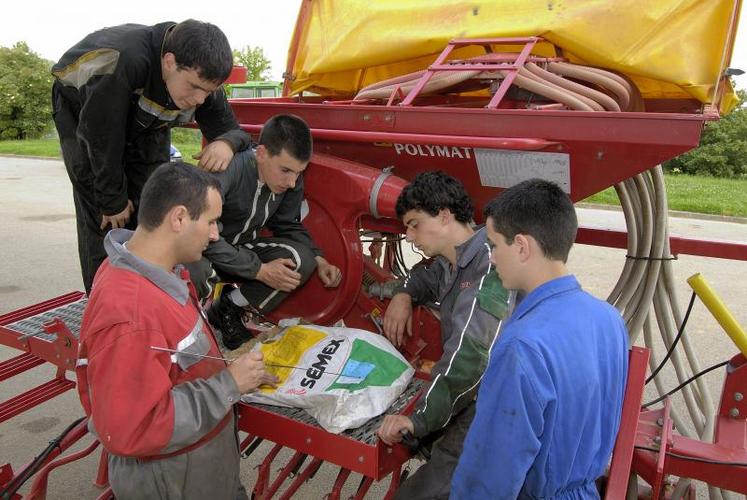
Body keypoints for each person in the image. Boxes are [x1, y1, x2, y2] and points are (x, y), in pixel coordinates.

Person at [76, 162, 276, 499]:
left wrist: (229, 373)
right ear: (179, 218)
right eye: (211, 222)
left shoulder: (154, 272)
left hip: (197, 468)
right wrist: (228, 384)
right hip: (173, 481)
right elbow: (133, 428)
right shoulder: (132, 315)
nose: (215, 235)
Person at [451, 179, 629, 499]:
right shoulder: (609, 319)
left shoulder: (522, 346)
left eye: (494, 246)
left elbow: (491, 475)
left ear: (521, 246)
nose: (491, 259)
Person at [52, 19, 253, 293]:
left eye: (208, 91)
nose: (200, 100)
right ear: (169, 62)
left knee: (156, 204)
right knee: (106, 217)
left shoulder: (199, 77)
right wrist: (112, 200)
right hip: (85, 116)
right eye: (194, 87)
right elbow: (101, 139)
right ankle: (106, 302)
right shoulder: (123, 60)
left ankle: (150, 295)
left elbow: (233, 131)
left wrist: (226, 143)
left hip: (145, 116)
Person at [376, 171, 514, 500]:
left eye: (414, 224)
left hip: (499, 406)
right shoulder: (456, 260)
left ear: (444, 215)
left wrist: (419, 420)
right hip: (480, 396)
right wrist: (404, 294)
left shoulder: (488, 266)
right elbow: (427, 276)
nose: (409, 236)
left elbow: (469, 357)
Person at [187, 114, 342, 350]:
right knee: (193, 269)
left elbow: (287, 223)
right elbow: (204, 235)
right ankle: (190, 330)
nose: (292, 182)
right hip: (206, 249)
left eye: (299, 173)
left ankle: (229, 308)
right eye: (286, 170)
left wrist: (320, 259)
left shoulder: (290, 181)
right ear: (261, 154)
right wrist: (259, 270)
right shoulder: (228, 169)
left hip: (243, 247)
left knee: (301, 261)